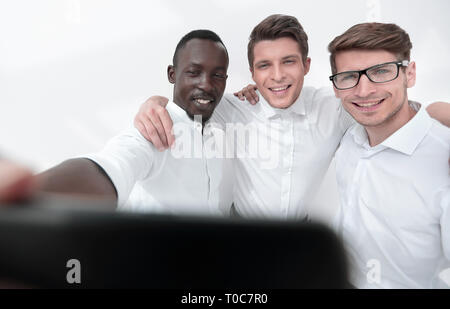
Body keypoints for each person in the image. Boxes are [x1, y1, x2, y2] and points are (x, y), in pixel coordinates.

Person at [133, 14, 448, 220]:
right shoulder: (233, 107)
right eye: (265, 65)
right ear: (253, 72)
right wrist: (154, 102)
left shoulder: (336, 106)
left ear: (307, 65)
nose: (278, 76)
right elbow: (187, 102)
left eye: (288, 62)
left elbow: (406, 111)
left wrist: (436, 114)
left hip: (299, 236)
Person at [36, 30, 233, 216]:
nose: (206, 84)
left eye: (217, 75)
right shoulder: (154, 128)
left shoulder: (221, 124)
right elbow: (113, 164)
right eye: (193, 72)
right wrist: (28, 194)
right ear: (172, 74)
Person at [328, 22, 449, 289]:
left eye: (381, 71)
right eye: (348, 76)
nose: (364, 91)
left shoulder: (444, 161)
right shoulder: (349, 135)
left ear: (410, 74)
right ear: (336, 87)